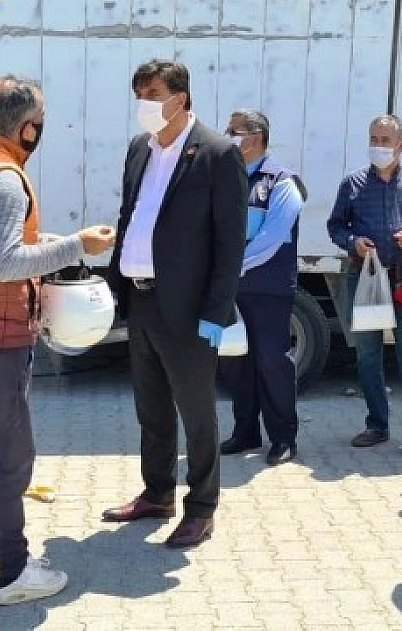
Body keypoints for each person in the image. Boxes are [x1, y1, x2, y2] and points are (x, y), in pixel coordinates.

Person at [0, 76, 115, 604]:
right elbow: (7, 262)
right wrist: (77, 245)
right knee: (9, 456)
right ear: (28, 127)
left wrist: (59, 241)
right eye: (41, 121)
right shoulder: (5, 179)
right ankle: (14, 572)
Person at [102, 60, 248, 549]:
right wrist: (116, 283)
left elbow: (230, 243)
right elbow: (130, 215)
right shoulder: (138, 149)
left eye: (153, 93)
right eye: (138, 94)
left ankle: (202, 507)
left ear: (180, 98)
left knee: (196, 412)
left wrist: (215, 312)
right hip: (141, 299)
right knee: (152, 409)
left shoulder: (218, 154)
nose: (143, 103)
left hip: (188, 309)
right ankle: (157, 493)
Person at [326, 114, 402, 460]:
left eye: (385, 141)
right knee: (367, 355)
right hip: (365, 278)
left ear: (401, 146)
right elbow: (335, 226)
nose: (378, 146)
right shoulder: (353, 183)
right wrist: (353, 242)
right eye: (374, 139)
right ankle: (377, 425)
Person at [217, 109, 306, 466]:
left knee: (272, 361)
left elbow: (272, 239)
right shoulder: (225, 176)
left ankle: (283, 438)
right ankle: (245, 432)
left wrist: (230, 267)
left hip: (267, 288)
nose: (228, 136)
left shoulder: (282, 182)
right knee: (234, 361)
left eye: (234, 131)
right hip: (230, 287)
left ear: (255, 137)